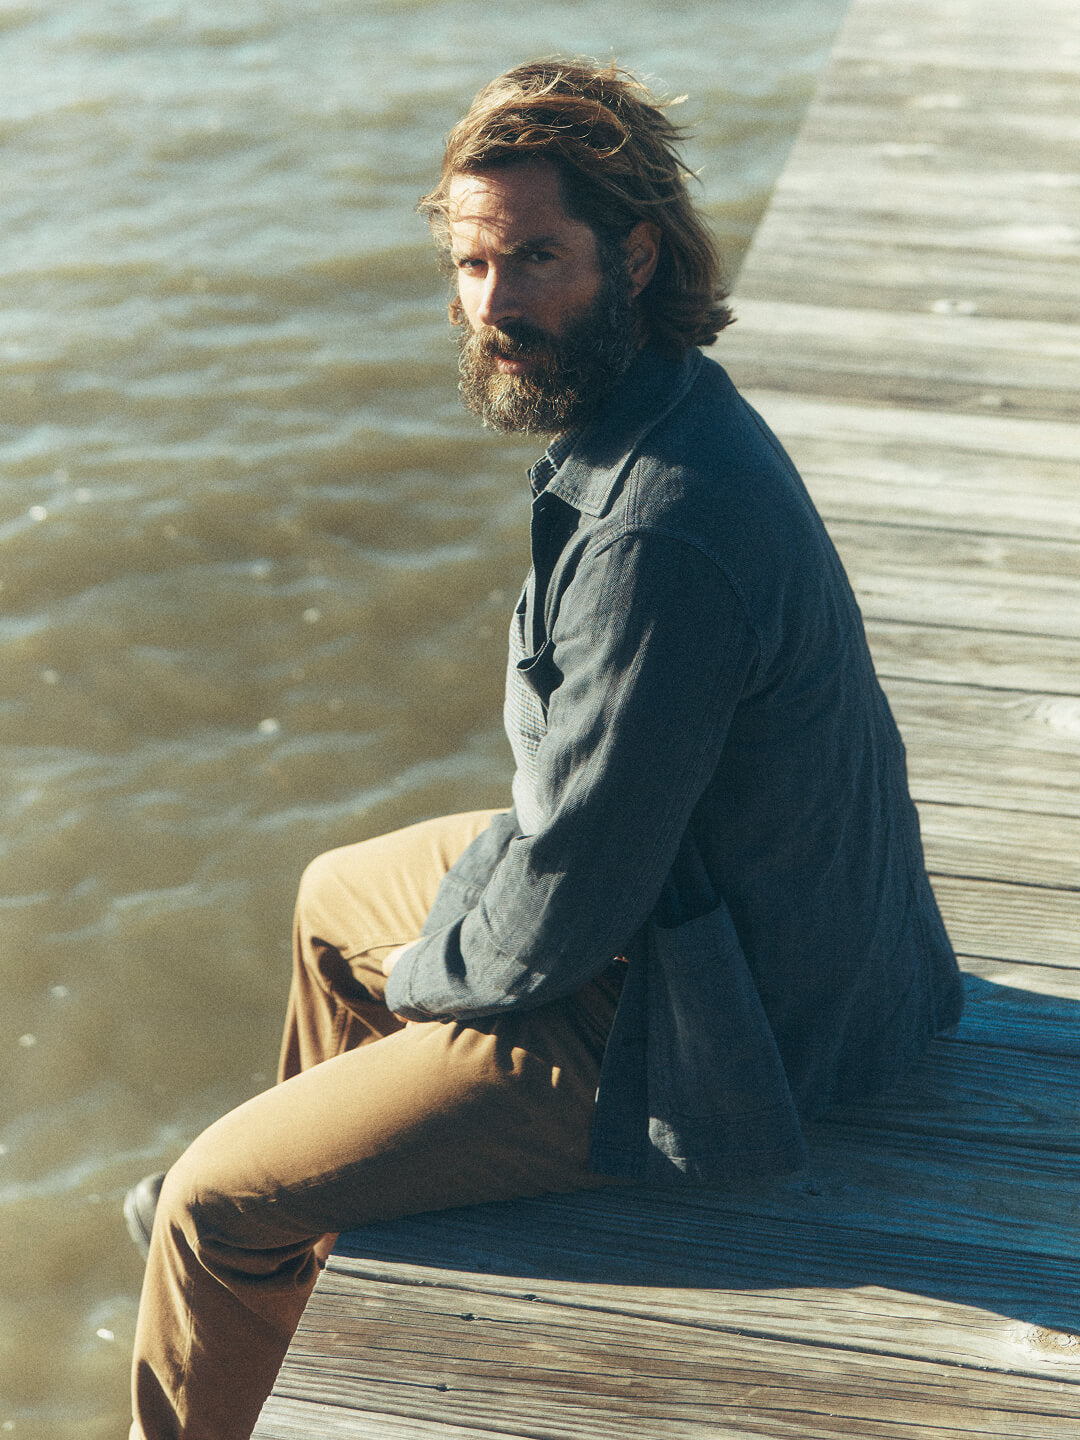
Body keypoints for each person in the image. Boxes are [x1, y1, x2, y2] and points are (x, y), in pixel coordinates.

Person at [124, 58, 964, 1439]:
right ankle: (323, 1247)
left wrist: (437, 969)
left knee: (211, 1207)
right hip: (744, 936)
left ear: (633, 252)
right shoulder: (670, 412)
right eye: (473, 262)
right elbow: (587, 835)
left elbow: (564, 903)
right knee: (336, 888)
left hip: (717, 1036)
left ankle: (260, 1254)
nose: (497, 303)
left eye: (538, 259)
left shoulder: (657, 534)